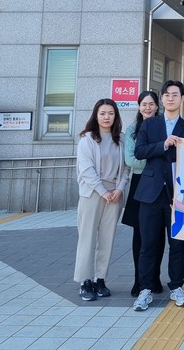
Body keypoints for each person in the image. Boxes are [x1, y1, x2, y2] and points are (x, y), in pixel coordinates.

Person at [132, 80, 184, 312]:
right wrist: (163, 144)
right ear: (162, 99)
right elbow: (139, 152)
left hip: (176, 196)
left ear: (182, 99)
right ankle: (145, 289)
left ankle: (177, 287)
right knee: (148, 244)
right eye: (167, 94)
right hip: (150, 193)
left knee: (177, 244)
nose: (171, 98)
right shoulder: (149, 125)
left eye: (175, 94)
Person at [73, 98, 130, 301]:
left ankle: (100, 279)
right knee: (87, 238)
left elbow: (126, 168)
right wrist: (103, 191)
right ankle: (84, 281)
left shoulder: (121, 139)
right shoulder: (87, 139)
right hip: (92, 193)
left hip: (114, 195)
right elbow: (86, 170)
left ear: (116, 116)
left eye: (111, 113)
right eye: (103, 113)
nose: (107, 117)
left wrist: (120, 189)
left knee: (107, 238)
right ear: (96, 116)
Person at [122, 90, 163, 297]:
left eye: (151, 104)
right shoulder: (132, 130)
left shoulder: (164, 127)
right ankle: (139, 280)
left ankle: (155, 277)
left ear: (157, 107)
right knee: (140, 234)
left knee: (159, 234)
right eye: (144, 104)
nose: (148, 107)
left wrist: (149, 155)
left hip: (162, 183)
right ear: (139, 107)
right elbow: (131, 160)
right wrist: (156, 158)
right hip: (140, 184)